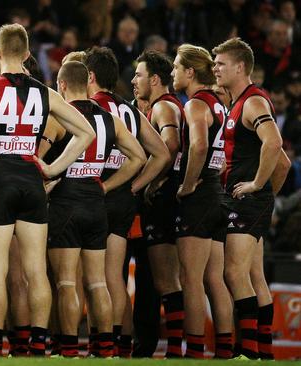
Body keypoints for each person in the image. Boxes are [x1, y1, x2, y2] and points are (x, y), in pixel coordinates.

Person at [0, 23, 95, 357]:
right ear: (27, 54)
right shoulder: (45, 92)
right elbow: (85, 132)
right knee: (35, 271)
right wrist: (53, 168)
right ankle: (38, 346)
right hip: (31, 178)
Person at [40, 61, 146, 358]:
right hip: (96, 201)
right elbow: (138, 157)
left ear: (60, 85)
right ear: (89, 82)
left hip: (66, 201)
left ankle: (69, 350)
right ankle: (105, 350)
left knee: (66, 283)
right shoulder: (110, 119)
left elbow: (37, 160)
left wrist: (45, 180)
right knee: (98, 282)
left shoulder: (59, 118)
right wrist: (107, 186)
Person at [84, 46, 169, 357]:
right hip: (123, 200)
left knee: (95, 278)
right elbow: (161, 153)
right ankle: (119, 345)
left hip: (94, 192)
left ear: (89, 76)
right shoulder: (129, 110)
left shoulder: (87, 109)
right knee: (114, 277)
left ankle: (100, 343)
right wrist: (135, 186)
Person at [213, 37, 289, 359]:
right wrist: (266, 194)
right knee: (255, 276)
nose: (215, 68)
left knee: (233, 273)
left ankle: (247, 352)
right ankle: (264, 354)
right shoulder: (239, 102)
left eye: (221, 64)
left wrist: (258, 187)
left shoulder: (254, 102)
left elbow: (274, 144)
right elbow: (283, 163)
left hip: (245, 200)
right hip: (250, 201)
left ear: (240, 67)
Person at [170, 44, 234, 358]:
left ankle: (194, 352)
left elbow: (198, 145)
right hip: (217, 194)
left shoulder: (196, 104)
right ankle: (225, 350)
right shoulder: (219, 104)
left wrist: (187, 183)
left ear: (190, 72)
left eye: (176, 68)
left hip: (200, 195)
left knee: (191, 279)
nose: (172, 73)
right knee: (215, 279)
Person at [132, 50, 184, 358]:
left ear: (154, 79)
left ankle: (167, 350)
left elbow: (171, 145)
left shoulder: (164, 106)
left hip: (162, 201)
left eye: (138, 75)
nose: (133, 80)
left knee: (161, 281)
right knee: (156, 280)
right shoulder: (166, 106)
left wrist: (149, 182)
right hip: (169, 199)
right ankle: (159, 347)